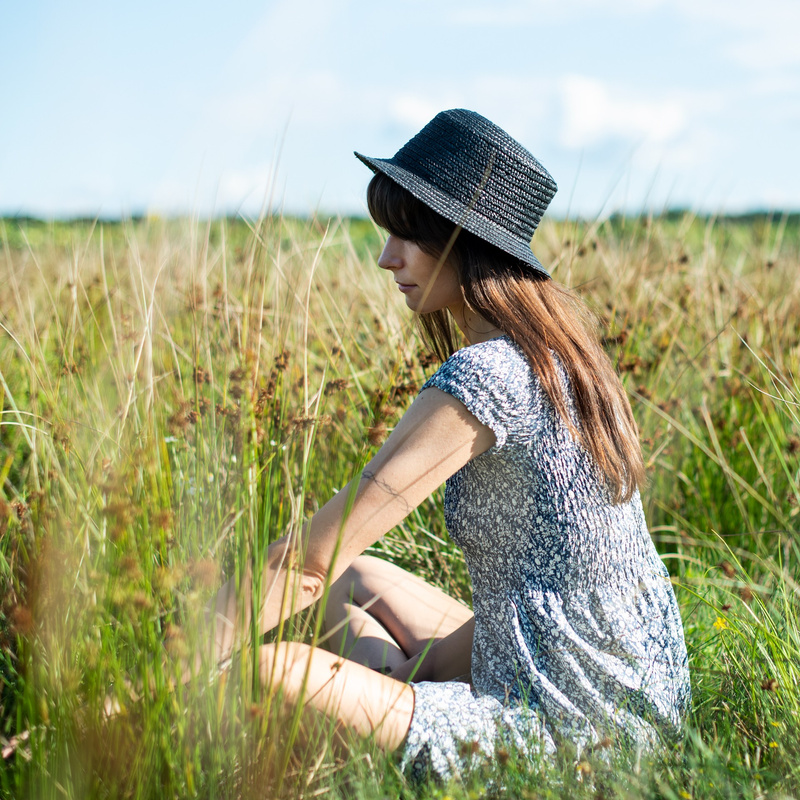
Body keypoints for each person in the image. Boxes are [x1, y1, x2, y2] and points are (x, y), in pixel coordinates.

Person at [205, 109, 691, 780]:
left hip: (574, 739)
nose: (386, 258)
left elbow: (311, 559)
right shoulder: (557, 357)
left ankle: (340, 722)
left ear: (463, 242)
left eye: (407, 236)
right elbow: (548, 586)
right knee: (361, 580)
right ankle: (394, 691)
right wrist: (418, 672)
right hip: (627, 690)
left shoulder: (489, 374)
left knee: (270, 661)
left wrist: (150, 684)